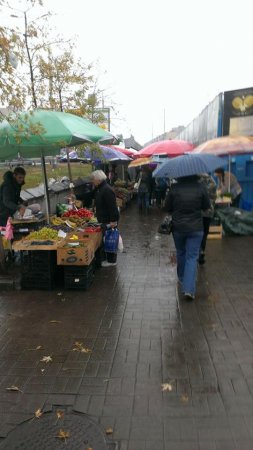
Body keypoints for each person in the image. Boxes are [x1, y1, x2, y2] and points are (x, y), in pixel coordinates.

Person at [165, 175, 210, 301]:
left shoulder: (174, 188)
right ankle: (189, 289)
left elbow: (166, 207)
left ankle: (182, 278)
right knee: (192, 257)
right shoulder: (201, 187)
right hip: (196, 228)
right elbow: (206, 206)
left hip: (178, 228)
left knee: (181, 252)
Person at [91, 170, 119, 267]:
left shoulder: (106, 190)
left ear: (98, 180)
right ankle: (109, 259)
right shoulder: (100, 188)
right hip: (104, 218)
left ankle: (112, 261)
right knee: (107, 239)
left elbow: (113, 207)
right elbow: (90, 194)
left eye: (93, 179)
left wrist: (113, 221)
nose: (92, 181)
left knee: (110, 239)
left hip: (109, 219)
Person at [198, 174, 217, 265]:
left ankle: (198, 251)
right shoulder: (212, 181)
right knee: (204, 233)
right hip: (208, 212)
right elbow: (214, 197)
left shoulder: (195, 181)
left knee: (197, 233)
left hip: (197, 212)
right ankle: (202, 252)